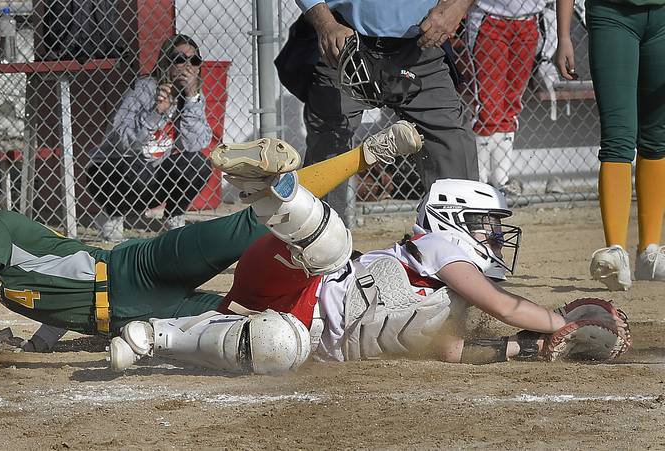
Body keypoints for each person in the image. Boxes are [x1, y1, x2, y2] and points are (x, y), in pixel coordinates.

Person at [0, 120, 424, 369]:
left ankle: (365, 154)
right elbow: (60, 291)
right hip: (127, 309)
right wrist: (43, 342)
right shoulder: (1, 272)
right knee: (249, 329)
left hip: (133, 268)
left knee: (257, 219)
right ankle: (362, 321)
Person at [109, 177, 630, 373]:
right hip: (298, 276)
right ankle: (271, 195)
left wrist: (525, 349)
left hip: (298, 330)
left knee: (278, 346)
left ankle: (154, 336)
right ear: (454, 221)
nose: (494, 238)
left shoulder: (452, 303)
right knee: (334, 246)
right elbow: (506, 307)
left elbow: (446, 351)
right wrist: (553, 320)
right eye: (486, 226)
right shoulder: (438, 247)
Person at [275, 0, 479, 225]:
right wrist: (326, 25)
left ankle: (460, 239)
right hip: (344, 42)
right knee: (329, 145)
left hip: (422, 44)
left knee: (451, 138)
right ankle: (324, 244)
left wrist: (458, 6)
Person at [555, 0, 665, 290]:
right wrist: (564, 35)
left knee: (657, 136)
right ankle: (616, 251)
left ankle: (649, 252)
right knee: (618, 135)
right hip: (611, 14)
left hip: (663, 17)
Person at [87, 34, 213, 239]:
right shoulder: (145, 88)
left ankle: (175, 217)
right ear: (166, 62)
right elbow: (122, 140)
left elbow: (195, 144)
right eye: (180, 59)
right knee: (137, 170)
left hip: (152, 175)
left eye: (195, 60)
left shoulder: (192, 97)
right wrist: (156, 114)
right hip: (113, 170)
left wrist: (192, 99)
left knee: (199, 164)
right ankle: (111, 215)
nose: (188, 66)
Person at [467, 0, 546, 195]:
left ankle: (501, 182)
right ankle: (480, 184)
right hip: (490, 18)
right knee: (488, 107)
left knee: (511, 106)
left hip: (530, 19)